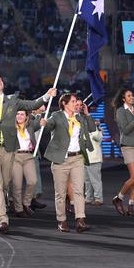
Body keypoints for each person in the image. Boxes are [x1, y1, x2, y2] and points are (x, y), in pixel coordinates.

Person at [0, 72, 56, 234]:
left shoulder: (13, 100)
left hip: (9, 148)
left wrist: (47, 96)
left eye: (0, 79)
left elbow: (32, 105)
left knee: (4, 184)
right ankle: (3, 219)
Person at [41, 93, 94, 233]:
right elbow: (49, 125)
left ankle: (80, 220)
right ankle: (61, 220)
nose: (76, 103)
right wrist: (44, 123)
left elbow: (92, 128)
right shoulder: (57, 116)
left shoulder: (79, 117)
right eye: (73, 101)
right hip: (61, 160)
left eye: (76, 101)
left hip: (77, 158)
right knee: (61, 192)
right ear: (64, 104)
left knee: (78, 190)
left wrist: (87, 115)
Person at [112, 88, 134, 216]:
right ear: (123, 99)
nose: (132, 97)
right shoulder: (121, 111)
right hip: (128, 146)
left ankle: (131, 204)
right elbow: (125, 130)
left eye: (132, 95)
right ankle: (118, 198)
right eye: (129, 95)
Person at [11, 109, 38, 217]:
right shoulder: (11, 128)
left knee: (33, 181)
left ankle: (26, 203)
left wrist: (41, 119)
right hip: (15, 156)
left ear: (26, 117)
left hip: (28, 156)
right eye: (17, 114)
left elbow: (42, 123)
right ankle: (18, 209)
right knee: (17, 185)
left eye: (22, 114)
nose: (19, 116)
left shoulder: (30, 127)